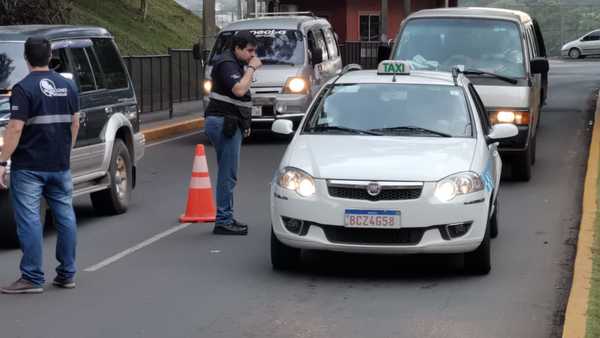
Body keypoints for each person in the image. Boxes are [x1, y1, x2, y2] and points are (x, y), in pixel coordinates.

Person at [0, 37, 80, 294]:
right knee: (66, 217)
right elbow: (75, 123)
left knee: (30, 220)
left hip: (29, 167)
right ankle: (67, 274)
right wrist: (65, 152)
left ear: (26, 58)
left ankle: (32, 277)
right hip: (59, 164)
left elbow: (14, 129)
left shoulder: (23, 89)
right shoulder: (68, 86)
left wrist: (1, 161)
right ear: (50, 57)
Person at [204, 31, 262, 235]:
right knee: (228, 175)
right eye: (249, 50)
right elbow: (239, 90)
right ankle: (223, 219)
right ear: (236, 47)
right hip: (223, 122)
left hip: (228, 122)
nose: (253, 55)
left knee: (227, 173)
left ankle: (226, 216)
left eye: (254, 51)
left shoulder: (234, 63)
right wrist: (252, 69)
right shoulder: (227, 63)